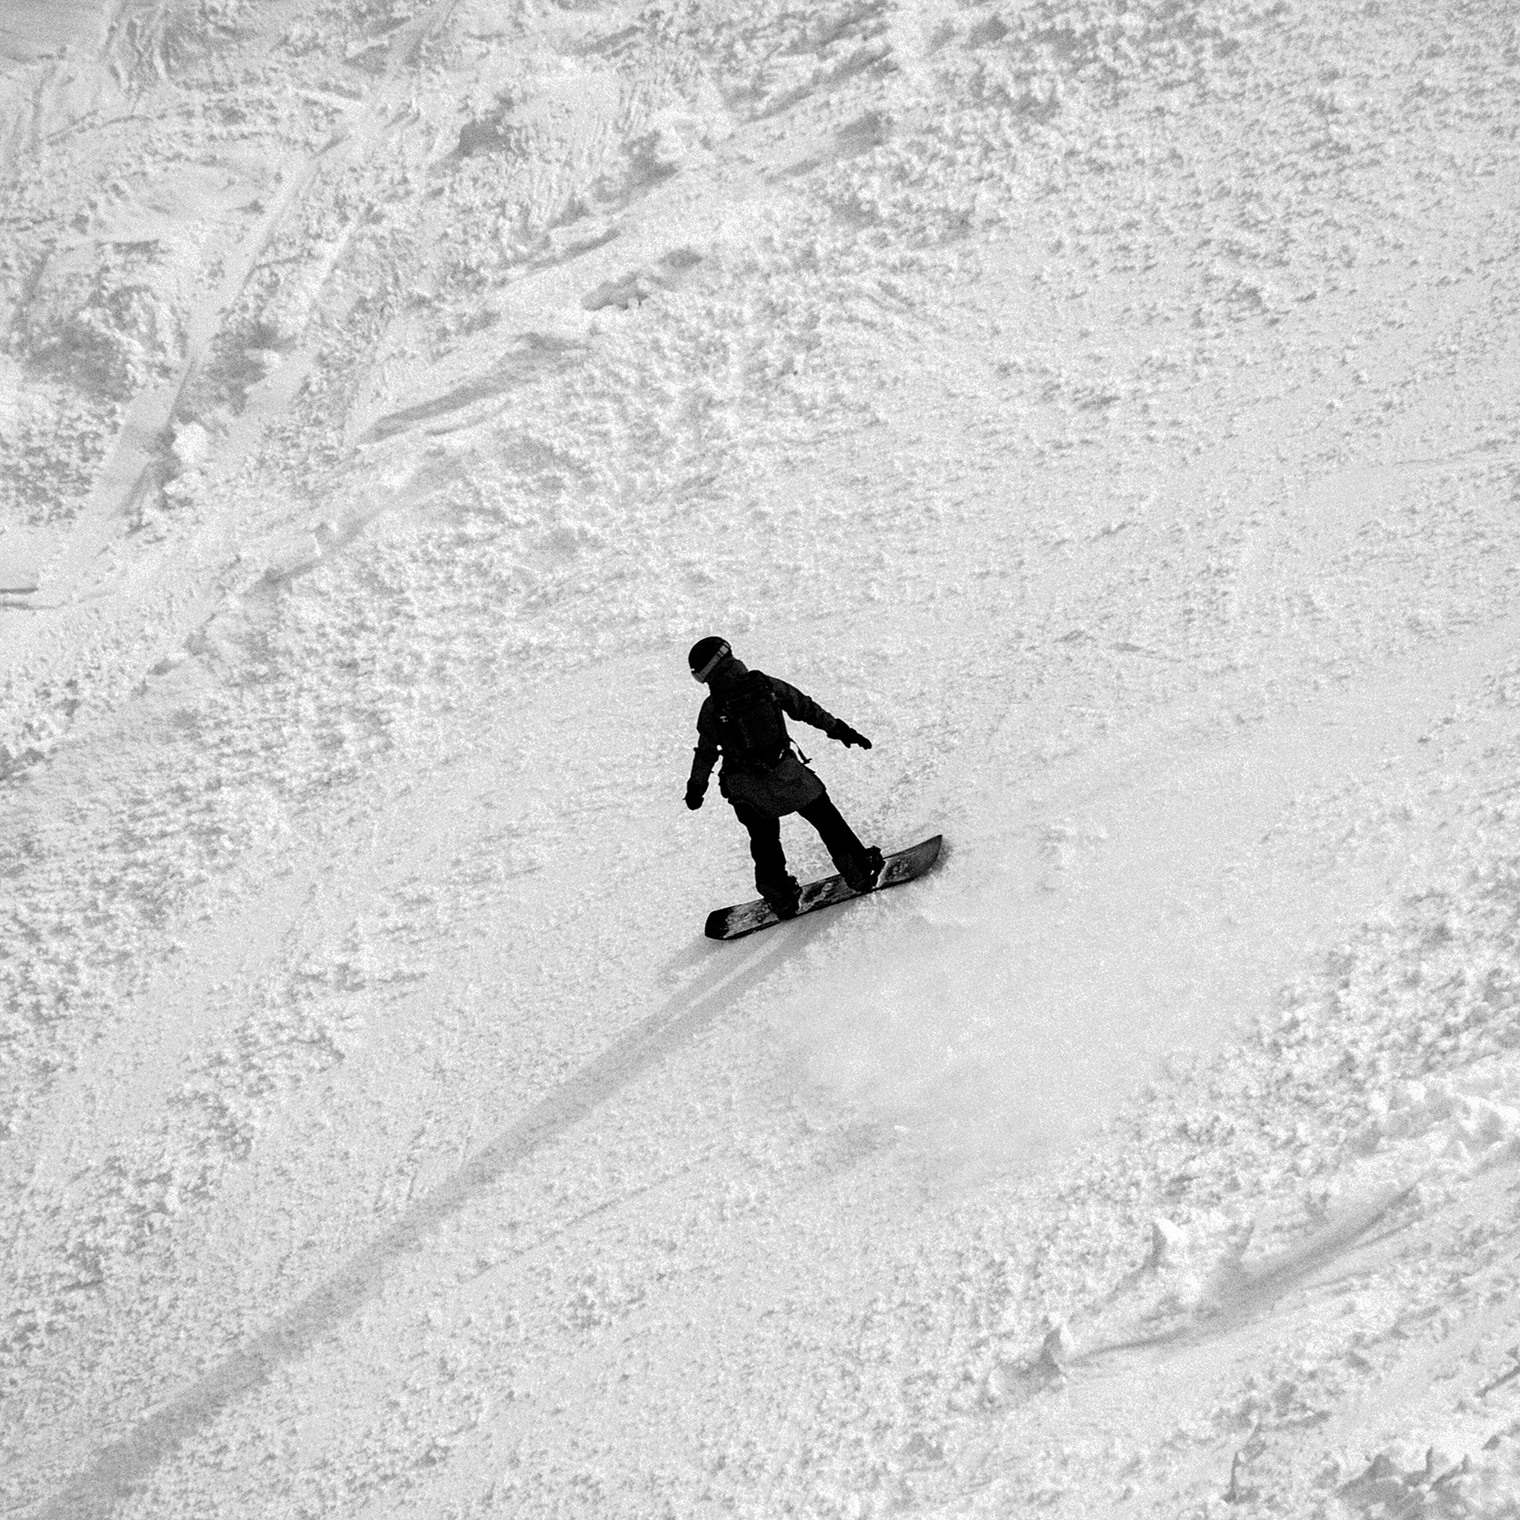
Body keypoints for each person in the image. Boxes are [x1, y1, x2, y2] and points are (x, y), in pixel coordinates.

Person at [684, 636, 884, 917]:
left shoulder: (711, 709)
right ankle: (859, 870)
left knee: (764, 839)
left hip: (744, 789)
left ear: (706, 674)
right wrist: (839, 730)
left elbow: (705, 752)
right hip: (787, 776)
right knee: (826, 819)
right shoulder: (765, 685)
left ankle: (779, 894)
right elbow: (804, 707)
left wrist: (696, 788)